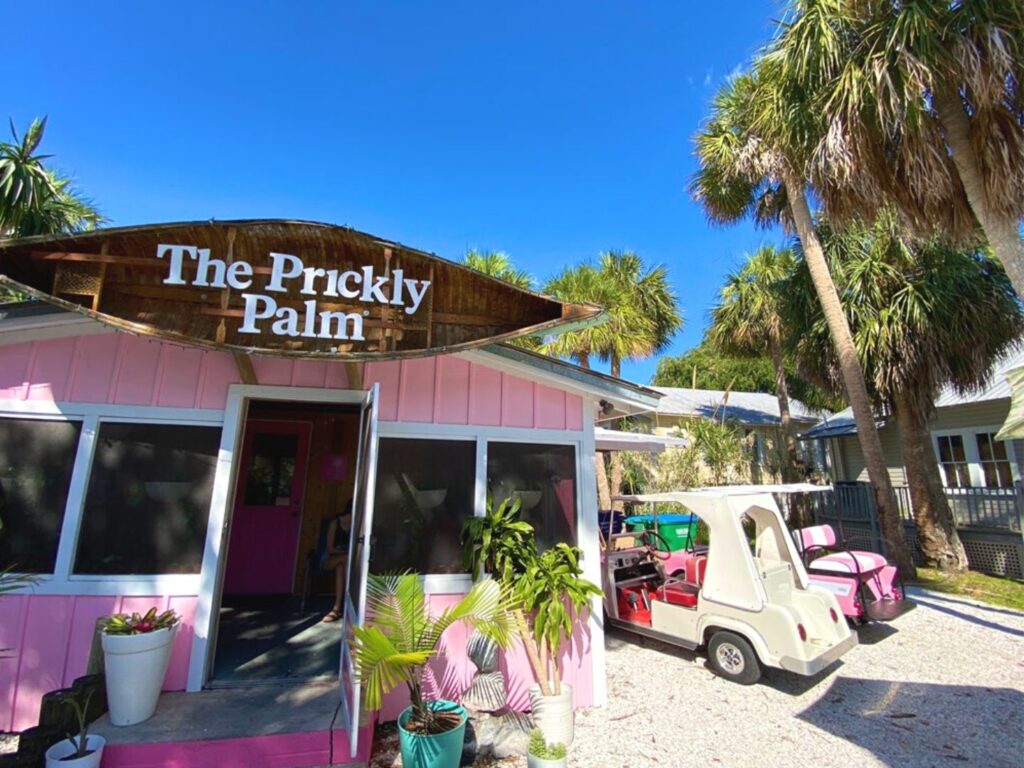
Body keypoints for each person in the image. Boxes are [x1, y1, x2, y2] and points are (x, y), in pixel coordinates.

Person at [321, 500, 353, 623]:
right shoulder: (335, 523)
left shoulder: (357, 524)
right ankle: (348, 602)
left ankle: (337, 607)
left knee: (341, 567)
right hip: (330, 558)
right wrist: (346, 553)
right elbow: (330, 549)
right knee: (344, 560)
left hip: (346, 561)